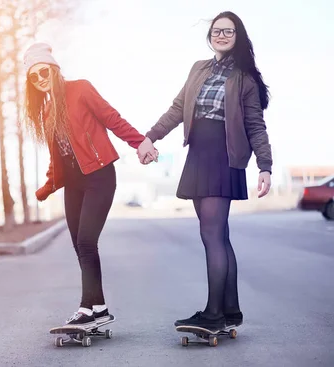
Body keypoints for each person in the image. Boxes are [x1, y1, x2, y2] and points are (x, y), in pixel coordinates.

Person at [137, 11, 273, 332]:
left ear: (238, 35)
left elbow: (255, 125)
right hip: (198, 153)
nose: (221, 35)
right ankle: (230, 310)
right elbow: (176, 109)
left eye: (228, 31)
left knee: (212, 234)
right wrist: (150, 136)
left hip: (222, 156)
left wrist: (264, 166)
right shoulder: (199, 69)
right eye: (216, 31)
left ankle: (213, 314)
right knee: (218, 235)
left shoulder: (245, 79)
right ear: (210, 36)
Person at [22, 42, 157, 328]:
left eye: (43, 71)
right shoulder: (47, 113)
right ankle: (99, 308)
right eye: (33, 77)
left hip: (99, 176)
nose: (40, 79)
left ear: (54, 68)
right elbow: (57, 158)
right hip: (73, 185)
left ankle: (86, 307)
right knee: (79, 245)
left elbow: (112, 119)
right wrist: (46, 188)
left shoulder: (80, 89)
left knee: (86, 241)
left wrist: (141, 142)